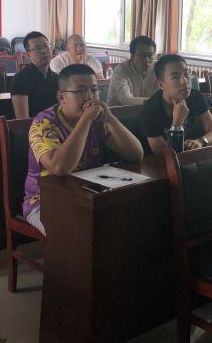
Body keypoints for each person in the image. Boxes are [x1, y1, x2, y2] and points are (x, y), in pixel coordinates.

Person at [24, 64, 144, 234]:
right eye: (80, 91)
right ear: (61, 97)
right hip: (44, 201)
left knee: (133, 217)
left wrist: (110, 119)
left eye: (94, 90)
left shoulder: (98, 119)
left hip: (90, 196)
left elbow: (136, 154)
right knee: (77, 233)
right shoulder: (44, 123)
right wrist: (85, 120)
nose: (90, 97)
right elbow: (59, 168)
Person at [140, 54, 212, 155]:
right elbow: (163, 154)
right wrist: (177, 124)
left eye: (186, 74)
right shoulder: (150, 110)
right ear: (161, 85)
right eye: (175, 77)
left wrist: (201, 141)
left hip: (190, 158)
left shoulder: (195, 96)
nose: (184, 81)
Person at [11, 31, 59, 119]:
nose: (43, 51)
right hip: (32, 126)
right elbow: (22, 119)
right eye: (37, 48)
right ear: (28, 55)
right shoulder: (20, 79)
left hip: (55, 125)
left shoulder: (57, 78)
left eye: (46, 46)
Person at [107, 35, 158, 106]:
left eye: (150, 55)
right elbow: (126, 99)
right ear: (132, 56)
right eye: (142, 55)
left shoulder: (158, 69)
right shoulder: (121, 70)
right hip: (118, 111)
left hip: (147, 110)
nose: (147, 60)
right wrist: (154, 102)